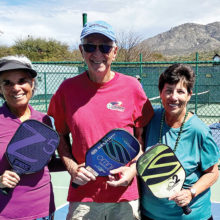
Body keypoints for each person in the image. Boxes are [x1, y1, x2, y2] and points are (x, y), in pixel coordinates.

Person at [48, 20, 154, 220]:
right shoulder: (66, 90)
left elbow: (141, 138)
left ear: (114, 52)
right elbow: (60, 135)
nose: (97, 54)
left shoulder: (132, 87)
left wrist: (132, 170)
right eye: (90, 46)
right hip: (83, 197)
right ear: (81, 50)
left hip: (125, 198)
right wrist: (72, 168)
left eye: (105, 47)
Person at [140, 63, 219, 220]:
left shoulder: (199, 131)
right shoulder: (150, 118)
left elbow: (212, 173)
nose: (173, 97)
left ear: (189, 95)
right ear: (160, 93)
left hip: (192, 216)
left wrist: (191, 193)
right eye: (168, 91)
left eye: (180, 91)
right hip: (150, 215)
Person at [0, 55, 55, 220]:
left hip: (44, 210)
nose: (15, 88)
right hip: (6, 214)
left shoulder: (44, 120)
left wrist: (74, 164)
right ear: (0, 89)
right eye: (7, 83)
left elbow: (45, 162)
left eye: (22, 80)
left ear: (32, 83)